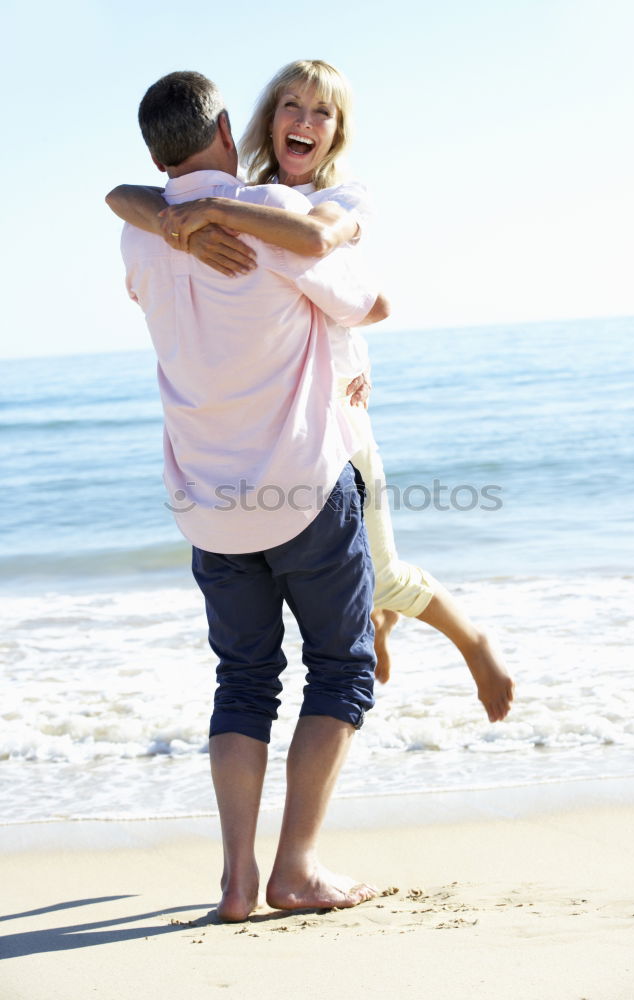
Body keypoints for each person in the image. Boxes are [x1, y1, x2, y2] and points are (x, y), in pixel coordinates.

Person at [107, 60, 514, 723]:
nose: (304, 120)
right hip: (291, 425)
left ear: (337, 132)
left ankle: (474, 642)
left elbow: (338, 262)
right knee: (342, 583)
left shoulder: (341, 198)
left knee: (379, 573)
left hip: (341, 420)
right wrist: (172, 217)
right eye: (291, 105)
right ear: (260, 121)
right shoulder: (253, 197)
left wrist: (204, 213)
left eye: (322, 112)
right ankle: (376, 626)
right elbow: (123, 194)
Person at [116, 70, 392, 922]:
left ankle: (237, 881)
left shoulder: (143, 237)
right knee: (341, 668)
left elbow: (128, 202)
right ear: (234, 124)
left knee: (242, 680)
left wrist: (182, 218)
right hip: (303, 488)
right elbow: (369, 300)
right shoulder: (275, 226)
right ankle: (296, 868)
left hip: (208, 501)